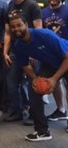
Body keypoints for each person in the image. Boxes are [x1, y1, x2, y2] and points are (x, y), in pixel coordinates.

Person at [9, 13, 68, 141]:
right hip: (50, 64)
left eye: (19, 25)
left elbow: (67, 57)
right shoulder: (18, 46)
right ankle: (42, 131)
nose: (16, 29)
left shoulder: (43, 35)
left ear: (26, 25)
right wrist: (35, 78)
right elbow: (24, 65)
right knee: (33, 89)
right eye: (13, 27)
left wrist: (53, 79)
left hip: (66, 59)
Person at [3, 0, 42, 123]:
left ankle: (34, 114)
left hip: (31, 51)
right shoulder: (9, 7)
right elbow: (7, 32)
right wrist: (5, 52)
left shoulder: (32, 6)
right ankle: (17, 111)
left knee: (33, 84)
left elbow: (38, 29)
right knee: (11, 83)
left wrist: (34, 52)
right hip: (15, 51)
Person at [41, 0, 68, 122]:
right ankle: (61, 110)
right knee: (55, 81)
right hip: (51, 54)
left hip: (66, 52)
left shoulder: (67, 10)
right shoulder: (43, 13)